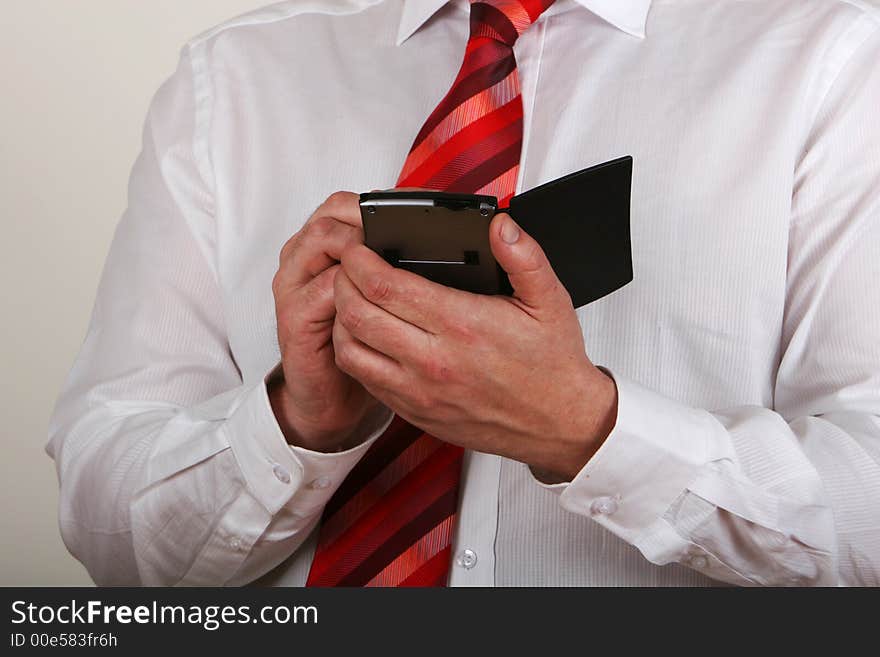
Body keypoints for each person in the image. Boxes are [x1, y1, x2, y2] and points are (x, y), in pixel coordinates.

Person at [48, 0, 880, 587]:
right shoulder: (229, 79)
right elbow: (107, 528)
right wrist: (296, 426)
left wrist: (589, 431)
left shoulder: (834, 66)